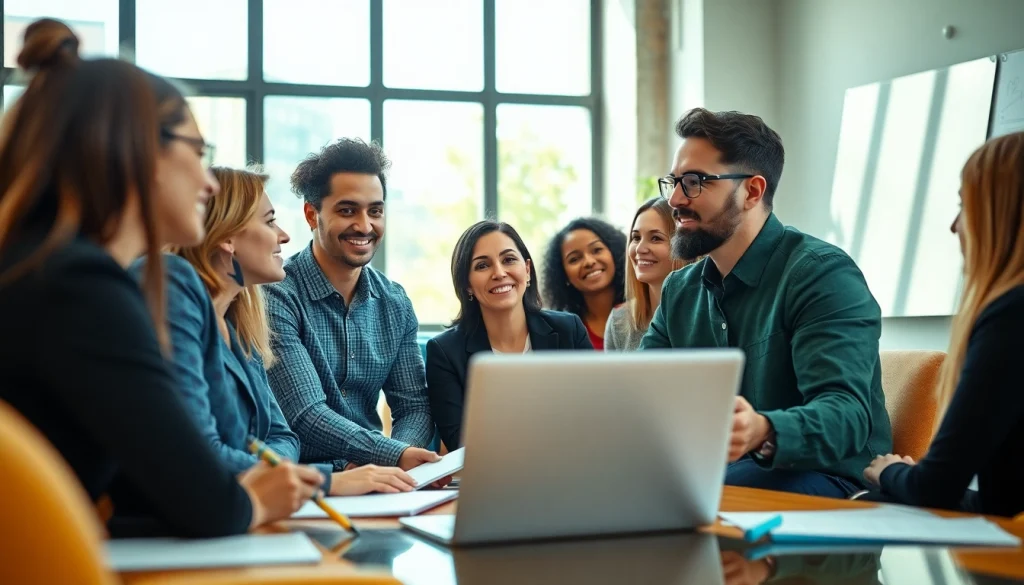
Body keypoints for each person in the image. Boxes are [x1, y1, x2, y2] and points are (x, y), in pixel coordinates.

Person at [0, 19, 315, 538]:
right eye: (198, 152)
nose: (208, 180)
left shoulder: (46, 269)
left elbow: (144, 478)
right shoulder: (81, 287)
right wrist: (253, 499)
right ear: (139, 150)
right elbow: (206, 501)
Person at [640, 108, 892, 498]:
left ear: (752, 192)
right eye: (674, 182)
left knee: (672, 495)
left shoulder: (822, 274)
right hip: (719, 478)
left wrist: (763, 429)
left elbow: (848, 415)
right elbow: (642, 392)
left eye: (693, 182)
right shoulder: (680, 290)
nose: (674, 199)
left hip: (830, 482)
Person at [156, 165, 418, 496]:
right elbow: (206, 451)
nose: (283, 235)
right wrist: (325, 479)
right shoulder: (181, 292)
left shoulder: (244, 323)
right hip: (205, 513)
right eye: (269, 222)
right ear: (227, 239)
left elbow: (281, 437)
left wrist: (396, 465)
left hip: (263, 499)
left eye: (375, 211)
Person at [863, 132, 1024, 518]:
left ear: (999, 216)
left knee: (873, 501)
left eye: (964, 207)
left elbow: (934, 487)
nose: (955, 226)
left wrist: (889, 471)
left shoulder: (1011, 316)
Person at [265, 138, 439, 472]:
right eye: (347, 211)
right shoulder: (277, 295)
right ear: (311, 213)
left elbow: (415, 407)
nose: (364, 225)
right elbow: (304, 414)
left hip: (376, 479)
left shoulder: (395, 303)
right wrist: (389, 456)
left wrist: (396, 461)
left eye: (375, 210)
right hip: (304, 485)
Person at [427, 220, 593, 450]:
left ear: (527, 270)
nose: (499, 273)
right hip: (493, 476)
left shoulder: (569, 330)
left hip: (569, 466)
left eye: (508, 260)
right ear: (467, 285)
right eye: (482, 266)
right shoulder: (444, 352)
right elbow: (460, 443)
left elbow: (593, 415)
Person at [605, 198, 689, 351]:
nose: (640, 249)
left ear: (682, 246)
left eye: (656, 238)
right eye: (636, 238)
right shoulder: (619, 321)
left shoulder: (705, 316)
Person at [542, 217, 627, 350]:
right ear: (563, 274)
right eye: (574, 259)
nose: (589, 262)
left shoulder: (642, 312)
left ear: (615, 253)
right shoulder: (561, 330)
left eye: (596, 250)